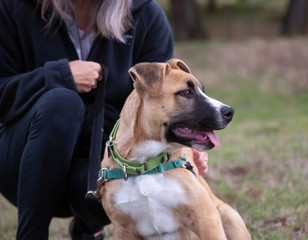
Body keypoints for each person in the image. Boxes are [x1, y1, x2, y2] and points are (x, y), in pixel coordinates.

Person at [0, 0, 208, 239]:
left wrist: (187, 142)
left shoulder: (146, 14)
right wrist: (58, 76)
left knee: (112, 184)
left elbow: (162, 108)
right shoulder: (13, 7)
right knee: (61, 104)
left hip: (99, 165)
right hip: (21, 161)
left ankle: (88, 226)